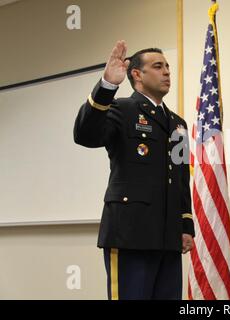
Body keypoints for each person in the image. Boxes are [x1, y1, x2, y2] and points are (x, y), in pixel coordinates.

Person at [74, 41, 194, 300]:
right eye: (158, 66)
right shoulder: (122, 109)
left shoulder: (178, 124)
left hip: (167, 238)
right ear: (137, 75)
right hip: (130, 233)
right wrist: (107, 86)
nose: (166, 72)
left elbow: (181, 178)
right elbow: (85, 134)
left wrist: (185, 226)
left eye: (168, 67)